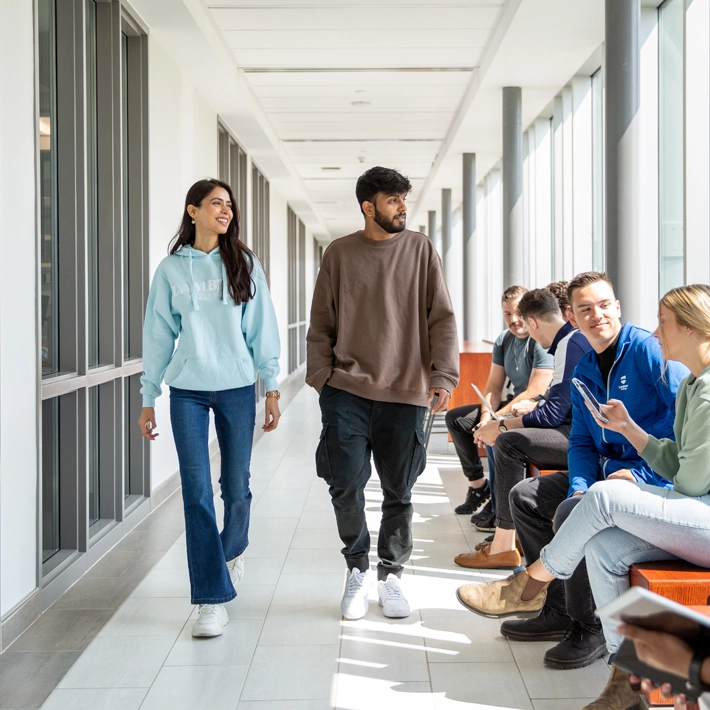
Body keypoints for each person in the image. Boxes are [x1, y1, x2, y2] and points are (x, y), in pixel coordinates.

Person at [455, 283, 710, 710]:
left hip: (697, 510)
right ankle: (629, 679)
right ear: (572, 315)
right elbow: (602, 446)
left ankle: (532, 581)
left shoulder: (691, 382)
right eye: (585, 308)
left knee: (604, 501)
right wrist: (628, 431)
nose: (656, 331)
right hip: (688, 509)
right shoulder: (689, 387)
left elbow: (690, 481)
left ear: (688, 327)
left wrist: (636, 489)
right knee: (601, 541)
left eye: (663, 323)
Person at [306, 166, 459, 621]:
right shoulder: (339, 253)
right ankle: (356, 567)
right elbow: (322, 322)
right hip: (347, 391)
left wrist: (443, 376)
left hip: (406, 391)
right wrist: (322, 379)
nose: (402, 208)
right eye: (393, 200)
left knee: (400, 490)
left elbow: (442, 318)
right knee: (344, 486)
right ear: (368, 206)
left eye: (403, 199)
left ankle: (390, 575)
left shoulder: (419, 249)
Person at [138, 178, 281, 638]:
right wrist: (148, 397)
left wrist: (273, 386)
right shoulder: (171, 270)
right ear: (193, 210)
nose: (226, 210)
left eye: (229, 205)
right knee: (196, 491)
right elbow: (158, 334)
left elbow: (263, 328)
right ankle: (210, 599)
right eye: (216, 203)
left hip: (239, 387)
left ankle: (231, 553)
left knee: (235, 486)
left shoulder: (243, 263)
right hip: (188, 392)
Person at [453, 287, 592, 570]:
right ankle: (506, 539)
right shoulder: (571, 342)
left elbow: (554, 414)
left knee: (508, 441)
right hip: (578, 429)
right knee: (505, 437)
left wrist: (502, 424)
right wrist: (532, 408)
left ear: (533, 323)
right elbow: (560, 402)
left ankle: (503, 544)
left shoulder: (569, 344)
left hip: (583, 438)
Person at [446, 287, 554, 531]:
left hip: (530, 408)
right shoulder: (504, 339)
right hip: (509, 404)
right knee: (458, 419)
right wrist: (486, 417)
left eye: (518, 313)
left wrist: (496, 421)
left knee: (498, 437)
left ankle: (498, 506)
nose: (514, 320)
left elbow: (534, 390)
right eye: (507, 314)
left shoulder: (539, 342)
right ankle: (479, 487)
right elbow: (493, 386)